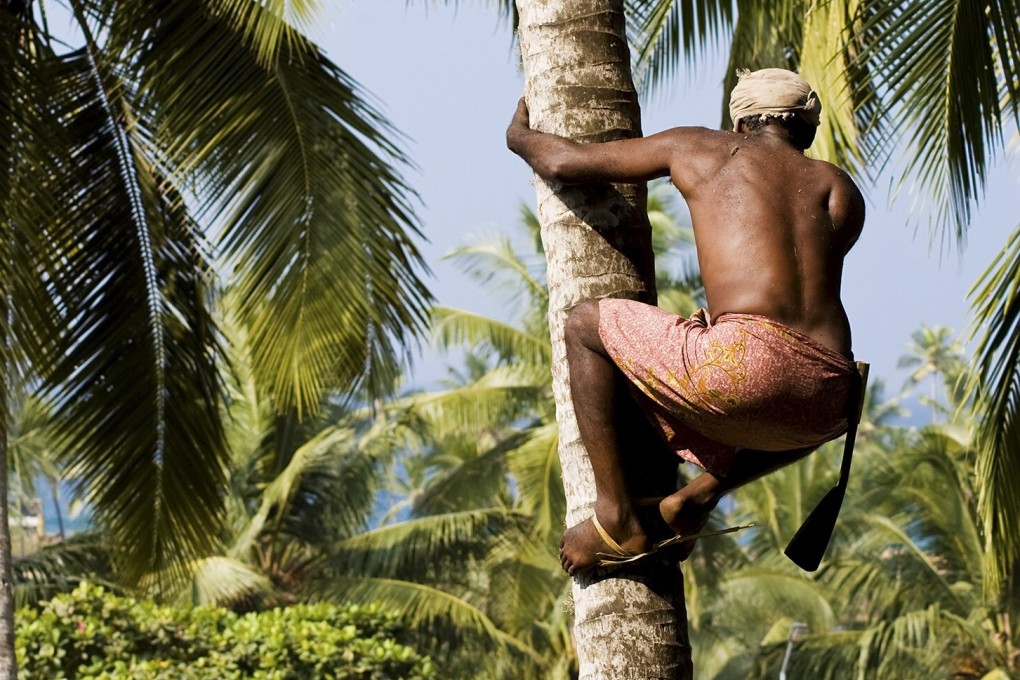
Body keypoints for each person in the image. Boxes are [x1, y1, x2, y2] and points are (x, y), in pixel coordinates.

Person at [506, 68, 865, 575]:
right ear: (806, 131)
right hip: (830, 401)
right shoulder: (840, 188)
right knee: (778, 388)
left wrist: (518, 137)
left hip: (744, 368)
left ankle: (616, 516)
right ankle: (698, 495)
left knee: (586, 324)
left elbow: (564, 162)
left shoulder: (701, 147)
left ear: (740, 122)